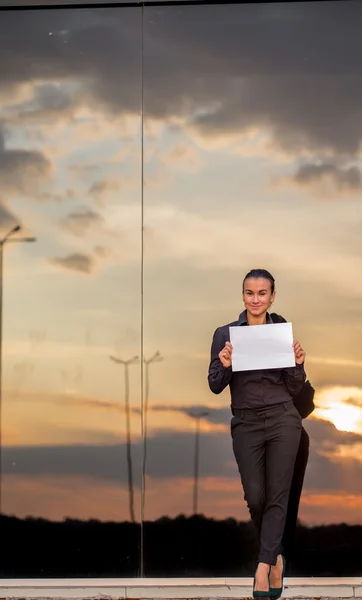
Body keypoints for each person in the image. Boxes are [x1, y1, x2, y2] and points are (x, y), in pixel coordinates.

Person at [208, 269, 306, 599]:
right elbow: (215, 385)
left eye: (262, 293)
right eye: (250, 293)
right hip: (247, 423)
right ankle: (275, 556)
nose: (256, 299)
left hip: (283, 419)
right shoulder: (226, 333)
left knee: (278, 494)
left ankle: (263, 568)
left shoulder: (281, 331)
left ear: (272, 296)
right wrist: (225, 363)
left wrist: (298, 364)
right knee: (255, 497)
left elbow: (294, 387)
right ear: (243, 296)